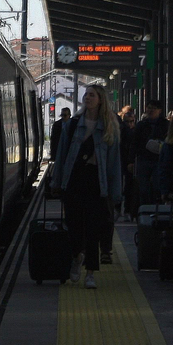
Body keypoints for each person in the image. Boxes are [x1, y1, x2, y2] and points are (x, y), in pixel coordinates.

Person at [51, 85, 124, 289]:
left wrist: (115, 193)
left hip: (96, 182)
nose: (88, 98)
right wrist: (56, 182)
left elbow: (113, 163)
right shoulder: (72, 125)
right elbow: (62, 155)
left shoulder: (110, 127)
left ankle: (90, 273)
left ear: (101, 99)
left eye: (92, 95)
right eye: (86, 94)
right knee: (74, 225)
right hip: (74, 179)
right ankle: (77, 256)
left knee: (93, 229)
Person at [131, 101, 168, 210]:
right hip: (143, 159)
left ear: (160, 111)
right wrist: (131, 160)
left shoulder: (165, 124)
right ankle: (144, 209)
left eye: (154, 108)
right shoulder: (141, 125)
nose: (151, 110)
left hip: (158, 159)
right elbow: (134, 143)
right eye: (149, 108)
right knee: (143, 188)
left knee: (157, 186)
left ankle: (158, 209)